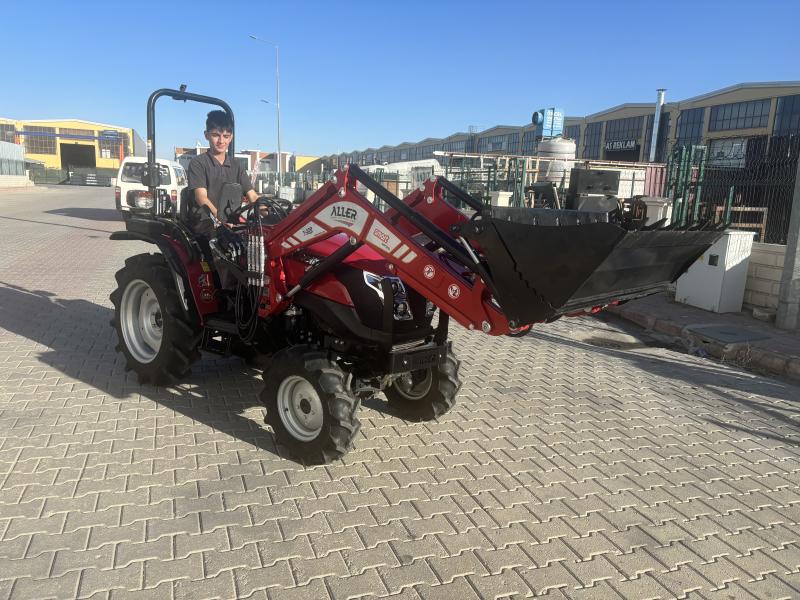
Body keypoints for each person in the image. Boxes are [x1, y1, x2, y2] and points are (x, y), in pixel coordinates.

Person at [187, 110, 259, 292]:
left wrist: (267, 210)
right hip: (206, 221)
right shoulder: (198, 163)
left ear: (231, 137)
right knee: (227, 245)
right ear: (206, 135)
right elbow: (201, 197)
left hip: (231, 222)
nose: (221, 141)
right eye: (216, 135)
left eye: (226, 136)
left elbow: (252, 195)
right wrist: (221, 221)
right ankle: (229, 294)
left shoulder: (236, 166)